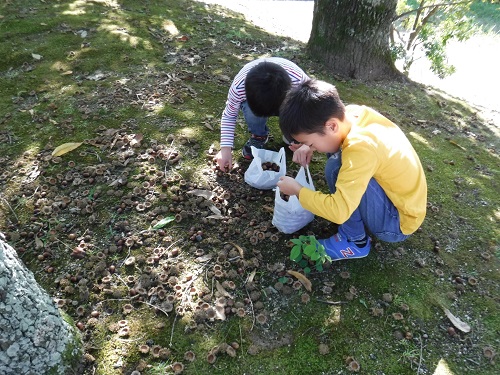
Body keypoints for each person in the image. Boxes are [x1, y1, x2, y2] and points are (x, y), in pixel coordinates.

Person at [277, 79, 427, 261]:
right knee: (336, 155)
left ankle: (355, 242)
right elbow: (334, 140)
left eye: (309, 142)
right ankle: (357, 225)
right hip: (403, 202)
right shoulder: (354, 113)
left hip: (396, 224)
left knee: (335, 167)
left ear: (331, 126)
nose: (310, 147)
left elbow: (339, 211)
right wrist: (310, 146)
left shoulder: (360, 149)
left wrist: (299, 191)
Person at [215, 57, 309, 171]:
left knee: (300, 109)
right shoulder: (239, 87)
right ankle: (259, 135)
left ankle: (293, 133)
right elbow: (229, 115)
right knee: (250, 110)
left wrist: (307, 143)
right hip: (262, 101)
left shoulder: (300, 82)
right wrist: (225, 149)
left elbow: (311, 111)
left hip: (290, 104)